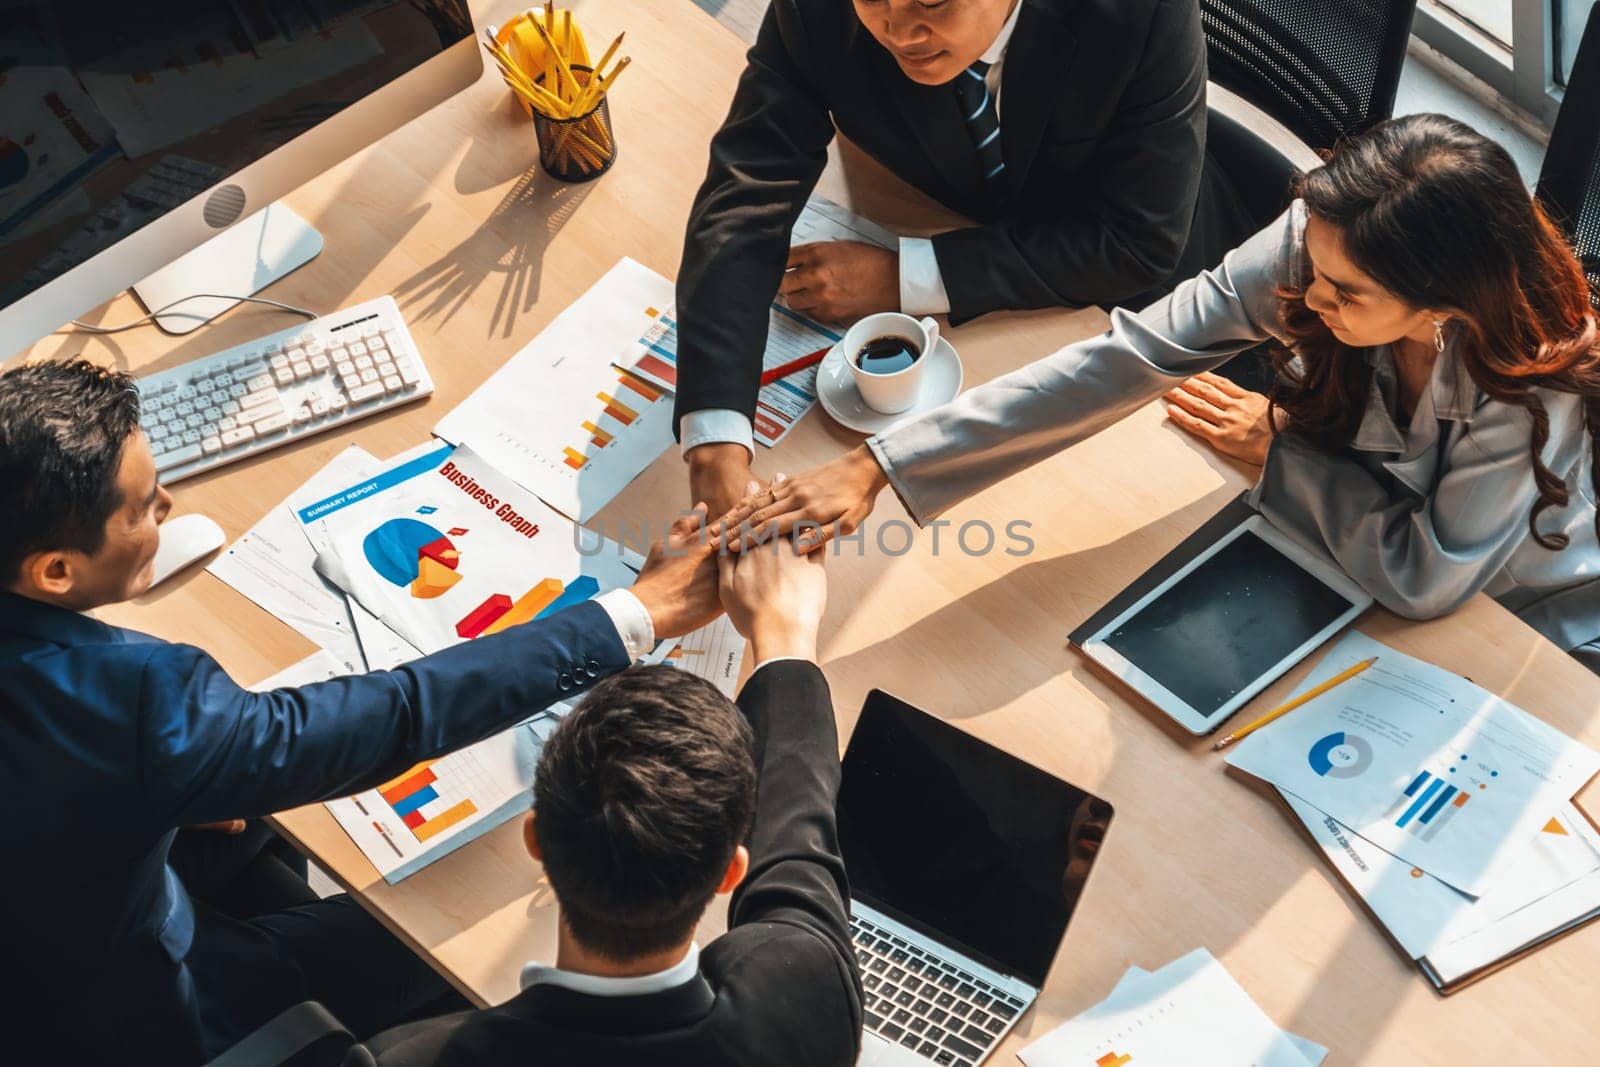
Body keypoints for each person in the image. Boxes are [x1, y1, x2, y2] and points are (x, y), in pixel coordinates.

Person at [0, 359, 721, 1062]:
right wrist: (632, 612)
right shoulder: (136, 701)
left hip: (59, 887)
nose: (169, 506)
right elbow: (396, 713)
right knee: (454, 941)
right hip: (114, 1011)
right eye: (146, 503)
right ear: (56, 569)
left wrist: (139, 787)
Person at [716, 114, 1600, 668]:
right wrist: (883, 466)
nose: (1309, 296)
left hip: (1521, 622)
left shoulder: (1528, 396)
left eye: (1346, 295)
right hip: (1352, 540)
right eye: (1315, 266)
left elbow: (1426, 575)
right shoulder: (1325, 243)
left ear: (1438, 308)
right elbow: (1134, 356)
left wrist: (1277, 453)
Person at [678, 0, 1243, 516]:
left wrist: (904, 275)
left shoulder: (1145, 12)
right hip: (946, 226)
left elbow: (1134, 245)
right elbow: (748, 190)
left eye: (932, 2)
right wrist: (715, 444)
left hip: (1148, 311)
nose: (898, 31)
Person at [355, 529, 860, 1064]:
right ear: (729, 875)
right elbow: (798, 862)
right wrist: (786, 641)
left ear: (536, 839)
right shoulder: (807, 1003)